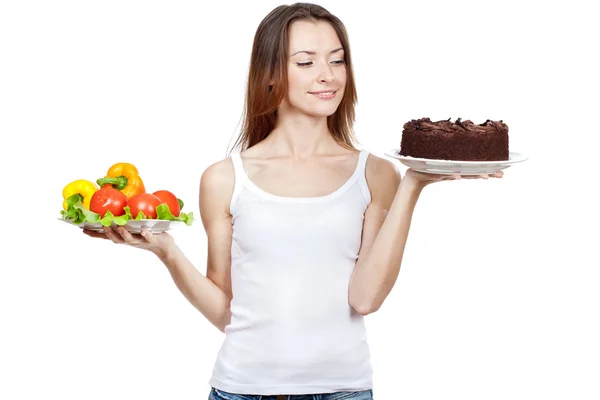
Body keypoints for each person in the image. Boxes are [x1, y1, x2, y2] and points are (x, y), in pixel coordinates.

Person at [84, 3, 502, 400]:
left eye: (337, 60)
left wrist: (413, 185)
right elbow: (227, 314)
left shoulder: (375, 173)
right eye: (306, 62)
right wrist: (167, 252)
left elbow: (366, 299)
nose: (328, 76)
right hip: (241, 389)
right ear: (270, 75)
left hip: (345, 389)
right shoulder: (225, 178)